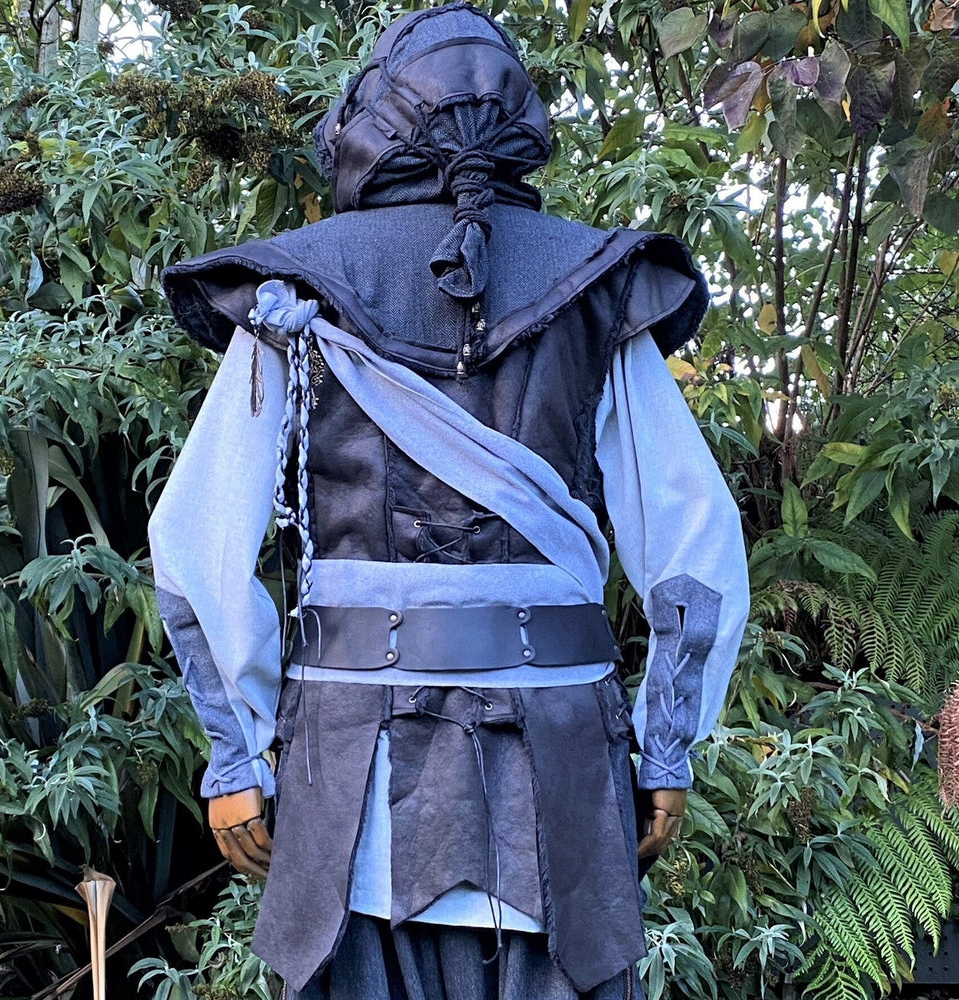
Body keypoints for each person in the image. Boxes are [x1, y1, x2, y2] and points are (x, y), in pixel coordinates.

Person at [148, 5, 749, 999]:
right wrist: (668, 745)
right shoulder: (594, 285)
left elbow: (195, 548)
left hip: (352, 777)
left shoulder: (296, 293)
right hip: (557, 768)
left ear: (371, 121)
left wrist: (237, 756)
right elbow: (694, 546)